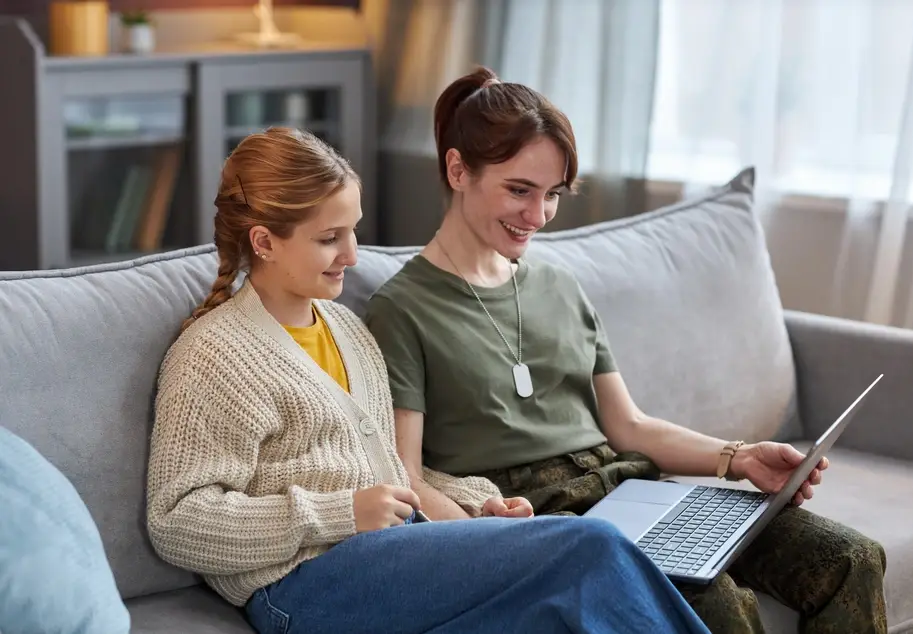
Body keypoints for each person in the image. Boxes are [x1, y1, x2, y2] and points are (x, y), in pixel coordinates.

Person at [363, 66, 889, 634]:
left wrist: (739, 457)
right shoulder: (400, 309)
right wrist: (494, 533)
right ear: (458, 169)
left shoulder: (559, 288)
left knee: (851, 559)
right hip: (544, 519)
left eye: (552, 195)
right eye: (519, 190)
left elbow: (630, 427)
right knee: (719, 606)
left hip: (629, 489)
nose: (537, 216)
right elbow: (406, 476)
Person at [144, 126, 711, 634]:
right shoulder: (214, 356)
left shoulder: (345, 328)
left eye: (353, 231)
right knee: (588, 543)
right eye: (329, 238)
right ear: (265, 241)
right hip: (300, 588)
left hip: (394, 552)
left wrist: (476, 504)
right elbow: (177, 521)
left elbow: (386, 469)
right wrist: (339, 513)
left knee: (557, 609)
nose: (352, 254)